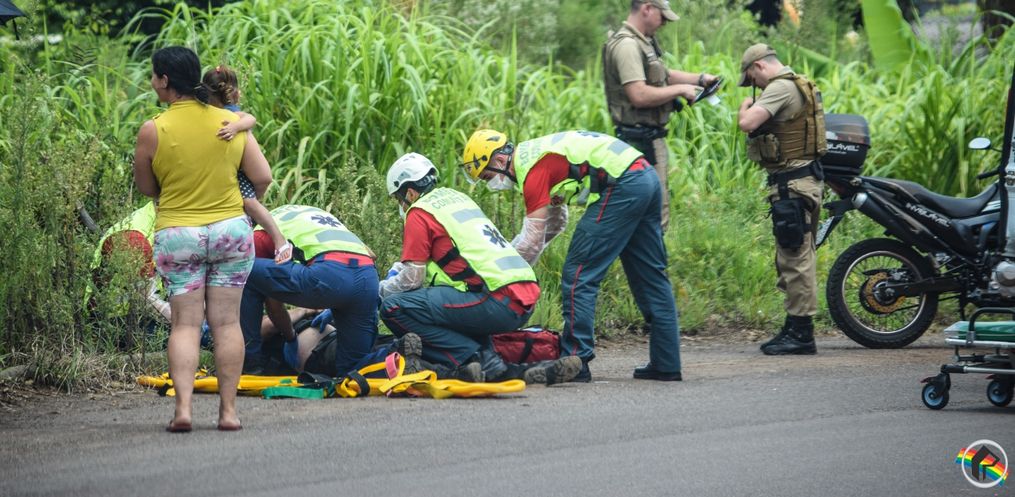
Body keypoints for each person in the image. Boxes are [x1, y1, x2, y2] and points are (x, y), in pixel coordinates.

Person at [461, 129, 681, 382]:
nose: (492, 185)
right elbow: (556, 222)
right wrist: (517, 266)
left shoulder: (533, 171)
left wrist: (501, 277)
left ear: (500, 161)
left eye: (488, 177)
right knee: (650, 275)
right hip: (645, 175)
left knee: (578, 275)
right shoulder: (537, 156)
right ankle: (666, 363)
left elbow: (531, 241)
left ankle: (576, 360)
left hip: (623, 184)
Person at [133, 46, 273, 433]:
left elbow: (146, 187)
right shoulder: (231, 122)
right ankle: (228, 412)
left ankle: (183, 410)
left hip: (179, 234)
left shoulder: (153, 129)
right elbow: (262, 176)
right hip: (230, 231)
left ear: (164, 80)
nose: (152, 82)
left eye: (154, 76)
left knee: (185, 325)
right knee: (227, 323)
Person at [379, 153, 581, 385]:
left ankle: (478, 360)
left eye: (399, 199)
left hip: (495, 299)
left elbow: (412, 278)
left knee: (393, 307)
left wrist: (381, 289)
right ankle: (517, 370)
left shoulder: (419, 212)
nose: (401, 205)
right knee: (445, 312)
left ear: (410, 193)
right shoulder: (457, 198)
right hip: (522, 296)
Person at [736, 43, 826, 355]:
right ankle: (794, 325)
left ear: (759, 66)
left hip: (793, 185)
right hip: (802, 182)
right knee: (794, 254)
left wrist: (745, 106)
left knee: (796, 257)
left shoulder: (780, 87)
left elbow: (747, 123)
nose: (756, 87)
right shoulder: (797, 84)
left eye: (752, 80)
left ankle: (802, 334)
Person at [602, 0, 718, 229]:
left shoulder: (642, 42)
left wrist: (700, 79)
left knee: (652, 210)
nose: (664, 23)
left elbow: (662, 75)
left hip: (649, 138)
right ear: (647, 8)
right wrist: (681, 90)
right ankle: (652, 252)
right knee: (654, 212)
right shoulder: (627, 46)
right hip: (640, 141)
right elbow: (638, 94)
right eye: (662, 17)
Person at [240, 205, 379, 378]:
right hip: (367, 278)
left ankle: (250, 366)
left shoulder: (259, 235)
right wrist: (338, 302)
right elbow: (371, 254)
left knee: (243, 270)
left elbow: (275, 309)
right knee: (353, 370)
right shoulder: (309, 214)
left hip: (328, 275)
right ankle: (402, 354)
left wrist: (291, 338)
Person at [202, 65, 291, 264]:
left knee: (249, 202)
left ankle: (279, 240)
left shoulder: (233, 115)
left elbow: (250, 119)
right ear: (236, 93)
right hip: (225, 171)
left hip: (239, 171)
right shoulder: (207, 114)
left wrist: (235, 127)